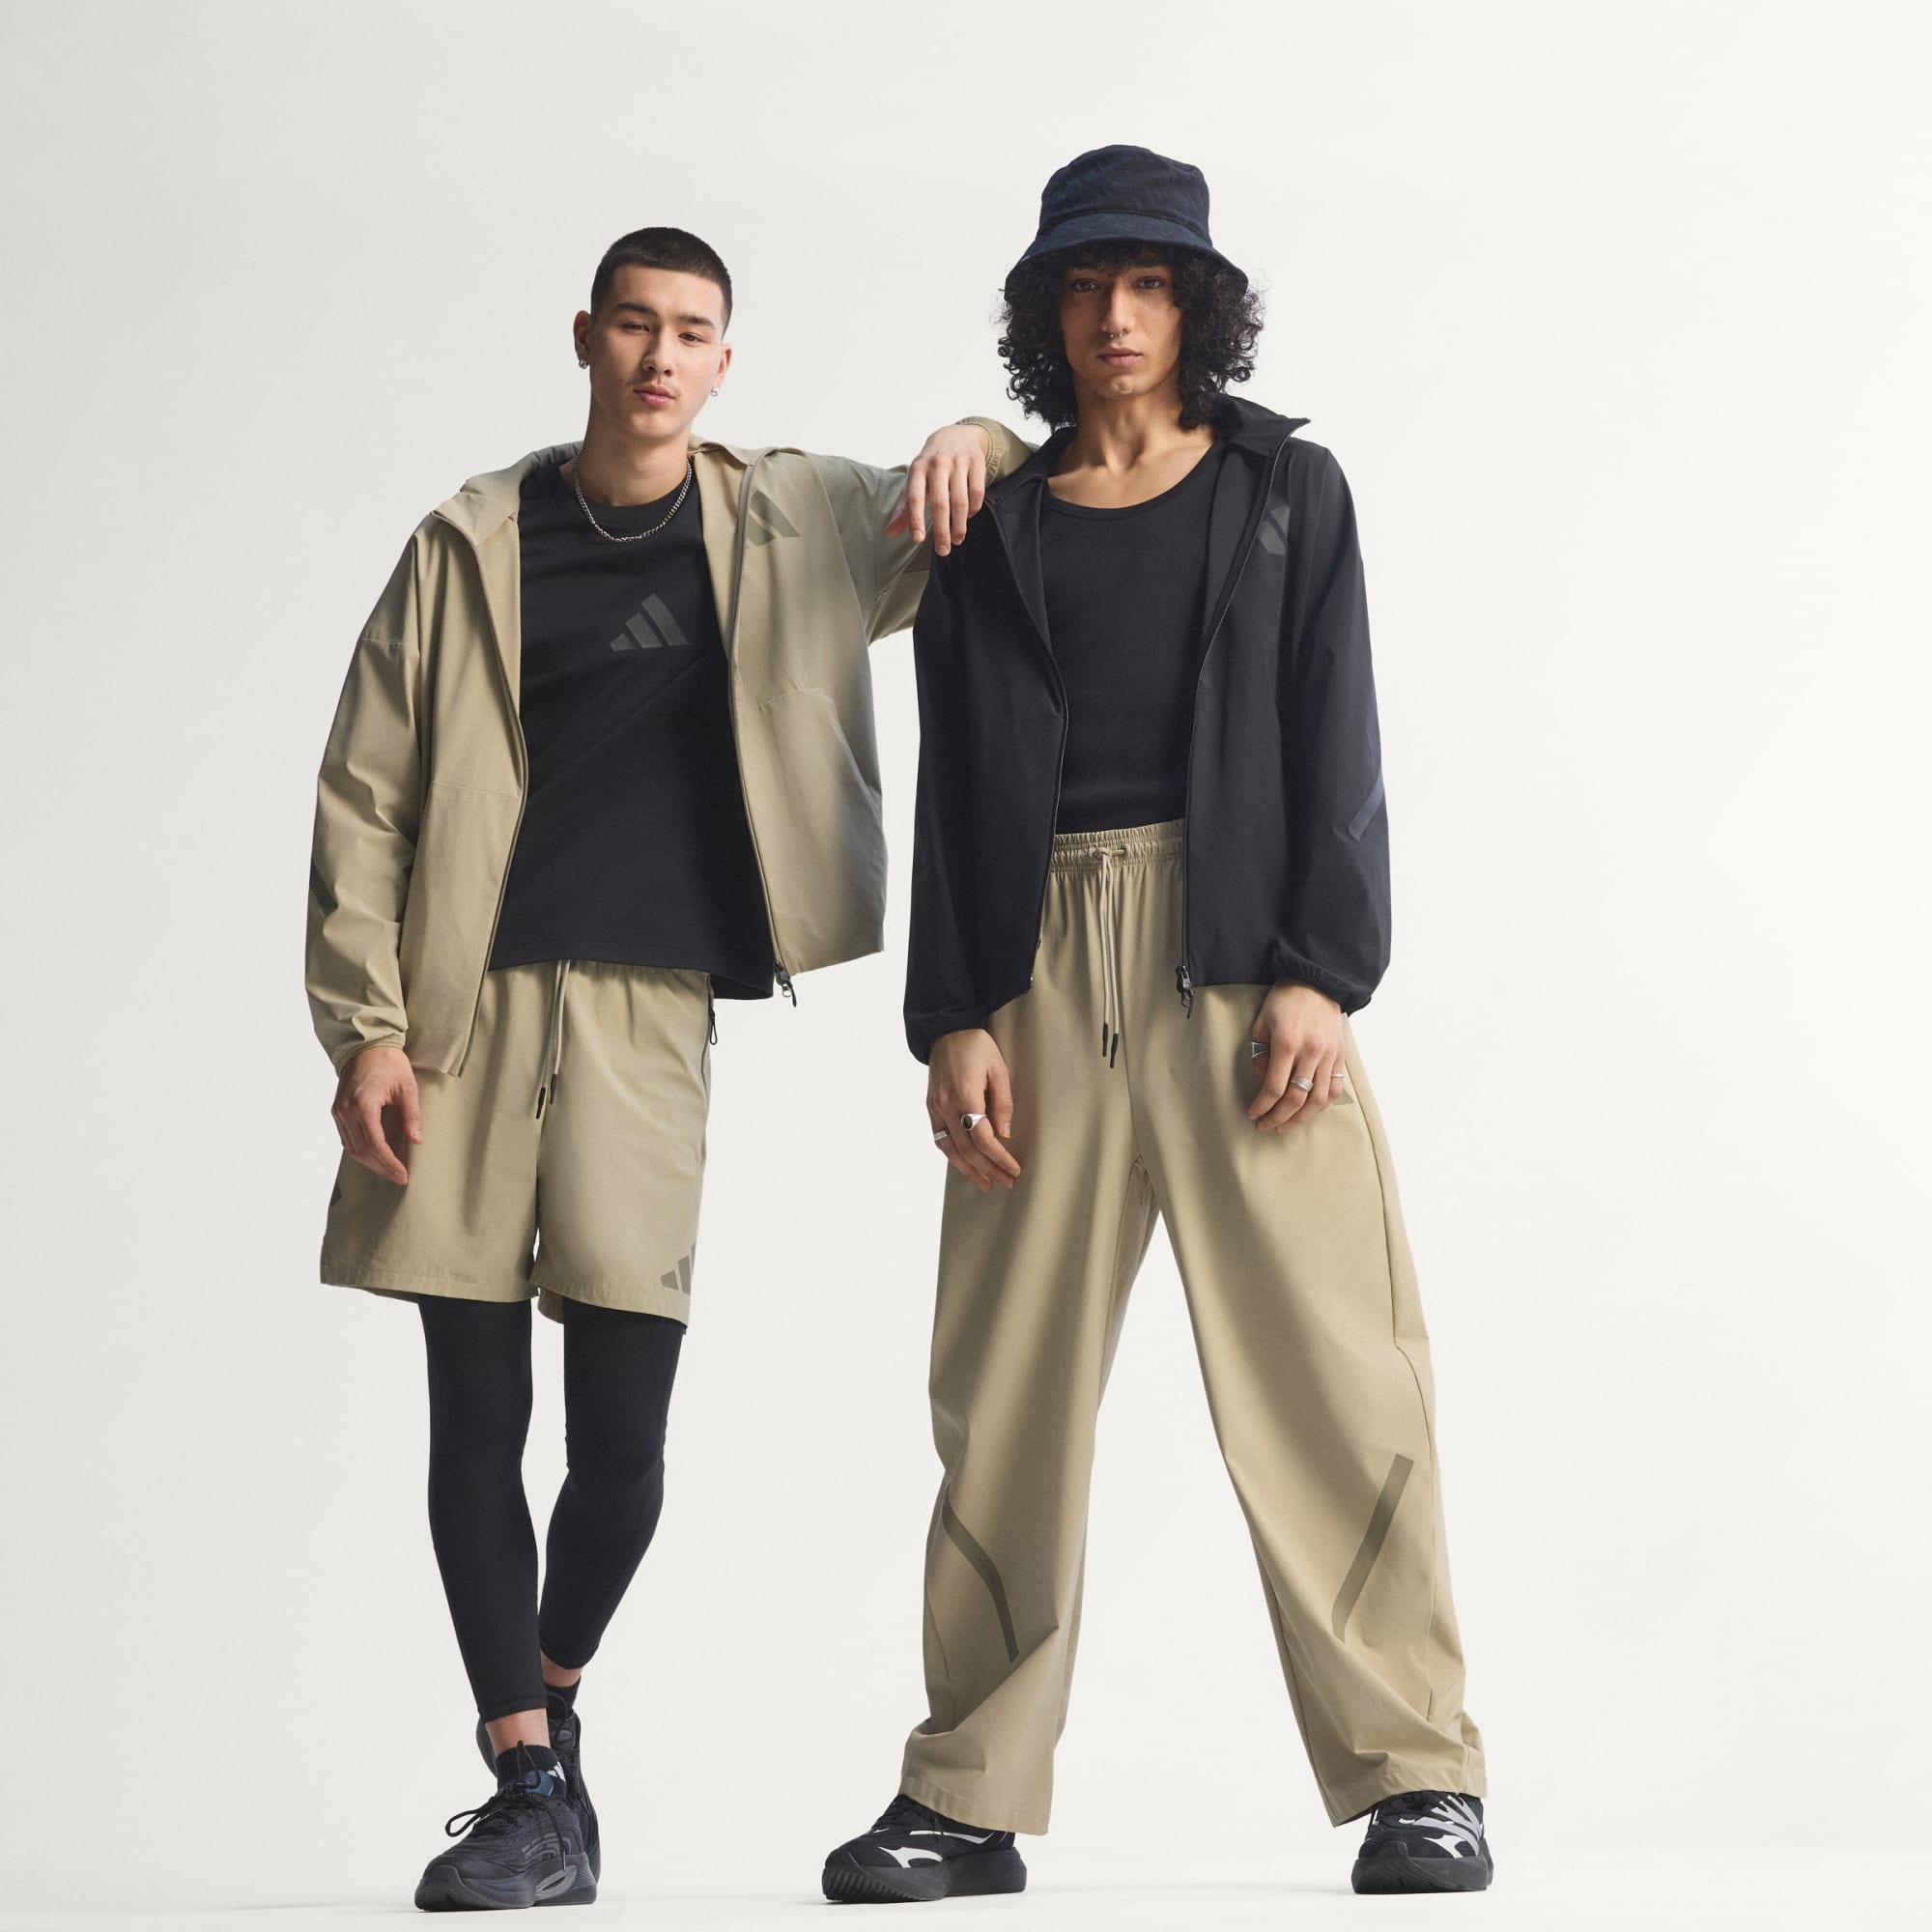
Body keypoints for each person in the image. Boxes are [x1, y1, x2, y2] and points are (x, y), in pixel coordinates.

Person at [305, 223, 1030, 1913]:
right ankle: (528, 1783)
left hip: (649, 1017)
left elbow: (979, 486)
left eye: (691, 332)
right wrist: (368, 1028)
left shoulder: (789, 518)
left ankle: (550, 1698)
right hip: (461, 1012)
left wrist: (974, 434)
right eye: (634, 324)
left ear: (723, 361)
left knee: (621, 1440)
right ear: (586, 337)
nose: (658, 356)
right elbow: (366, 788)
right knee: (474, 1413)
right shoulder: (473, 538)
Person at [820, 148, 1491, 1904]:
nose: (1115, 316)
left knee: (1334, 1375)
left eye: (1148, 284)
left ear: (1197, 305)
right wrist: (954, 1012)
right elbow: (955, 775)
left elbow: (1340, 729)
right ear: (1046, 311)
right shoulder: (990, 518)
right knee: (1006, 1398)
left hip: (1243, 963)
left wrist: (1321, 969)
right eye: (1083, 285)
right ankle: (966, 1796)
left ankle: (1419, 1775)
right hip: (1034, 974)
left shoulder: (1287, 489)